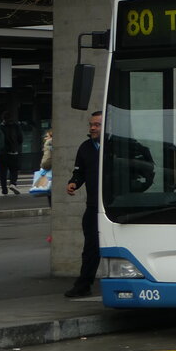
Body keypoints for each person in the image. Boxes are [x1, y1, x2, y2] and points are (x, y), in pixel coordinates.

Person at [65, 111, 102, 298]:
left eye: (97, 124)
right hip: (94, 206)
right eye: (91, 124)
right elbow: (79, 172)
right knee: (90, 248)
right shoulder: (86, 147)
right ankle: (83, 284)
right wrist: (74, 182)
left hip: (116, 207)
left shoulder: (118, 146)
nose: (93, 128)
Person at [0, 113, 23, 195]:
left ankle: (4, 189)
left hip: (1, 153)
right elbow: (20, 139)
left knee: (2, 171)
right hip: (13, 152)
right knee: (14, 169)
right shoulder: (16, 126)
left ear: (2, 118)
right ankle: (13, 183)